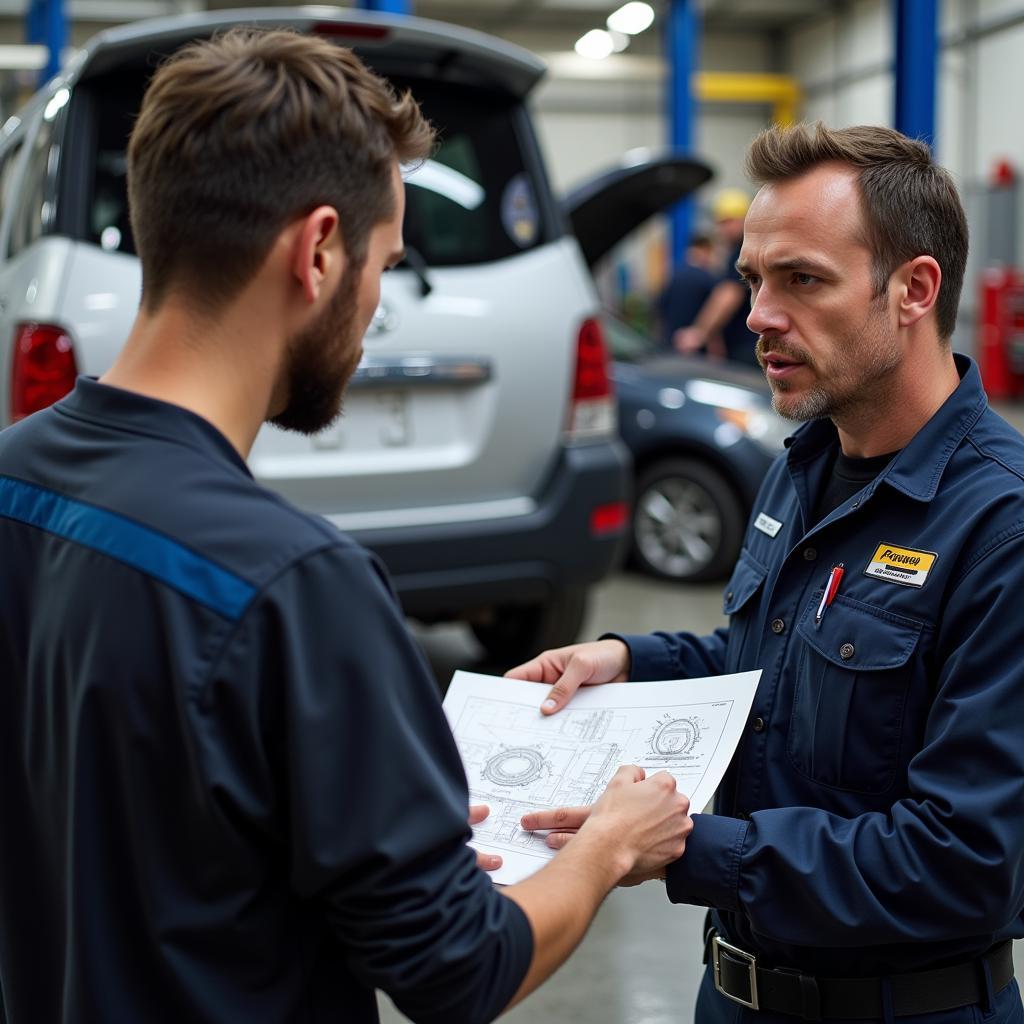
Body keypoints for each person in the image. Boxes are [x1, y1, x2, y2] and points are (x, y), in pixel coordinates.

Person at [0, 29, 694, 1024]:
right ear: (319, 249)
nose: (377, 309)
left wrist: (356, 814)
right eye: (385, 263)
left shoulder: (14, 477)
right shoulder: (294, 585)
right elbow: (457, 967)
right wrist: (607, 844)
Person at [511, 122, 1024, 1024]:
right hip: (735, 995)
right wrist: (627, 659)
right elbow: (771, 665)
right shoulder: (805, 462)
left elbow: (964, 861)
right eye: (753, 278)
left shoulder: (1000, 527)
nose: (757, 315)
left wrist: (685, 849)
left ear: (913, 289)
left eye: (803, 280)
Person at [674, 187, 760, 366]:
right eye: (720, 223)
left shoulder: (742, 251)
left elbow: (729, 294)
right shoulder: (740, 251)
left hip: (746, 348)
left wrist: (698, 333)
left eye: (729, 221)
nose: (724, 229)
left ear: (745, 218)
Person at [658, 232, 717, 351]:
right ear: (706, 251)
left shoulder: (674, 276)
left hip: (672, 340)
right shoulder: (708, 279)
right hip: (697, 343)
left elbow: (660, 304)